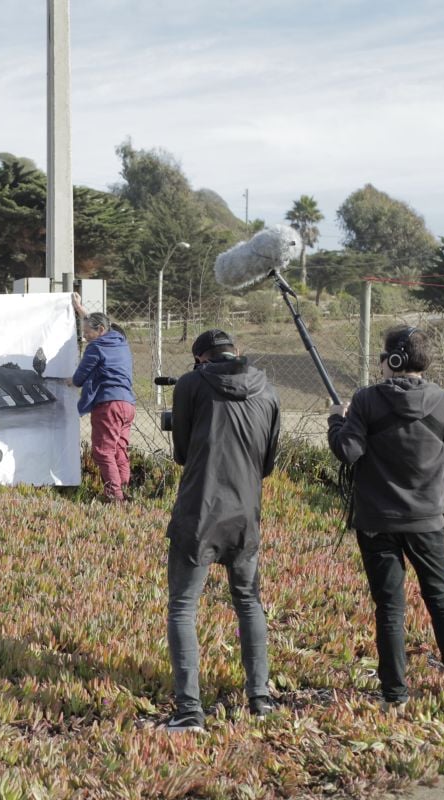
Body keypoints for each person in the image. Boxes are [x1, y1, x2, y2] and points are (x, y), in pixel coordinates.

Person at [327, 325, 444, 711]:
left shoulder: (365, 401)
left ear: (393, 361)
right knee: (439, 596)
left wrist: (336, 421)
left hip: (377, 521)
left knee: (390, 607)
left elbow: (348, 452)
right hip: (427, 521)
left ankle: (394, 696)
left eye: (383, 356)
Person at [160, 329, 280, 732]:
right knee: (248, 601)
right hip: (245, 514)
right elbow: (267, 463)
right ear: (236, 352)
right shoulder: (268, 391)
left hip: (199, 512)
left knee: (183, 605)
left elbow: (181, 454)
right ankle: (260, 698)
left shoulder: (192, 384)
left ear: (200, 359)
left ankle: (190, 711)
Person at [70, 293, 136, 503]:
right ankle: (125, 490)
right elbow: (100, 322)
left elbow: (79, 379)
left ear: (99, 330)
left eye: (87, 332)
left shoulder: (96, 347)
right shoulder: (120, 341)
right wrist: (81, 309)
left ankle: (114, 496)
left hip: (108, 405)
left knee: (103, 450)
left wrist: (66, 381)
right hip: (127, 405)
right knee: (119, 449)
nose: (85, 336)